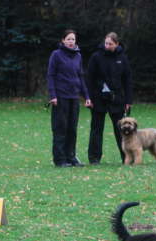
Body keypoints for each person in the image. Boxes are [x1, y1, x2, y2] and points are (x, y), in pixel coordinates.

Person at [47, 29, 92, 167]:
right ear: (63, 40)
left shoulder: (78, 56)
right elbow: (50, 76)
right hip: (61, 97)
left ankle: (71, 157)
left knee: (72, 129)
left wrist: (86, 96)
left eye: (73, 39)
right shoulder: (56, 55)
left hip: (74, 97)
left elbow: (80, 77)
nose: (71, 42)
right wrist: (53, 95)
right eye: (68, 39)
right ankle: (60, 160)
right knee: (60, 128)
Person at [86, 32, 133, 165]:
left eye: (110, 44)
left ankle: (126, 158)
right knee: (96, 129)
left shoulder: (122, 58)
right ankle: (94, 158)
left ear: (117, 44)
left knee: (121, 130)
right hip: (98, 98)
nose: (107, 46)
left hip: (117, 99)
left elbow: (128, 80)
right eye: (106, 43)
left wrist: (128, 100)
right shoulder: (96, 57)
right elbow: (89, 78)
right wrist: (88, 97)